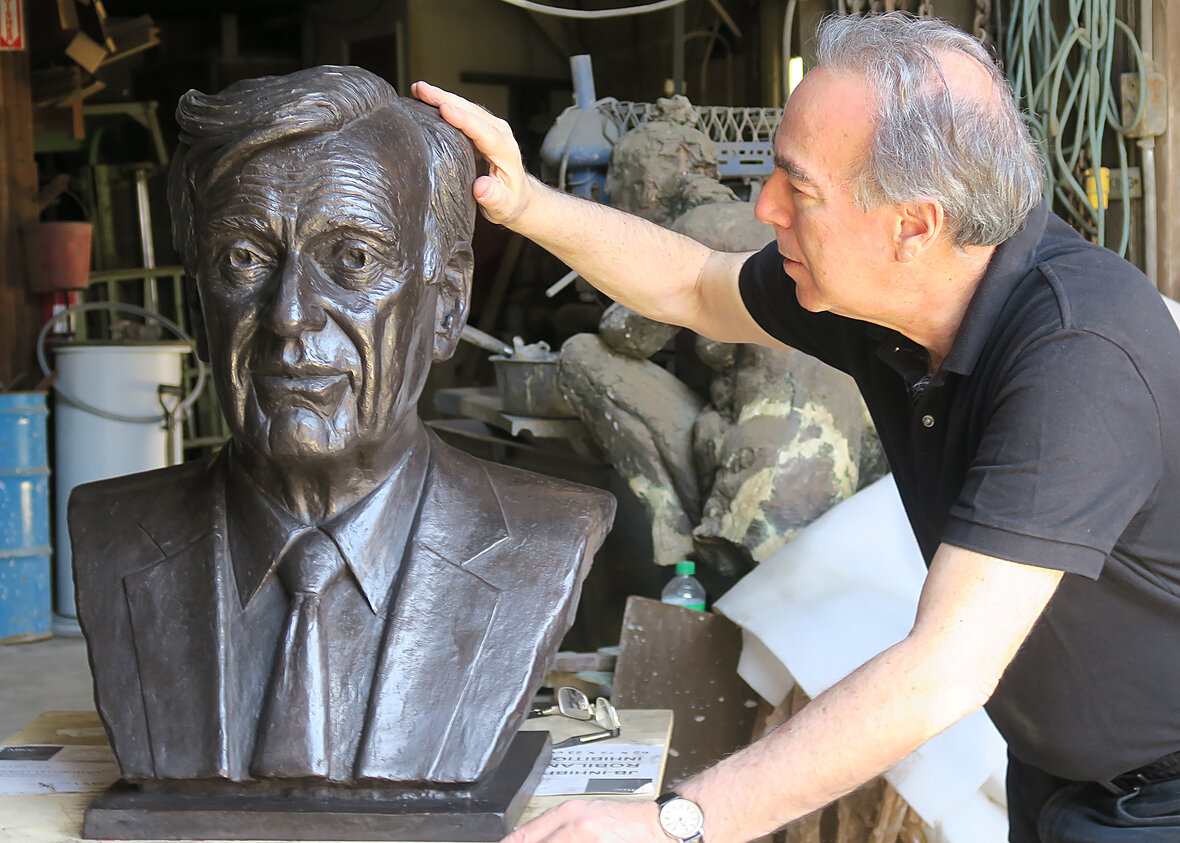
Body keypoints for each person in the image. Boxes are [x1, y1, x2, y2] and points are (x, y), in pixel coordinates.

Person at [414, 11, 1180, 842]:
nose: (766, 204)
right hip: (1056, 774)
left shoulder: (1078, 356)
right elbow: (695, 285)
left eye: (798, 185)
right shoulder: (887, 295)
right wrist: (524, 203)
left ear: (914, 225)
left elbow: (943, 669)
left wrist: (677, 820)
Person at [69, 65, 614, 787]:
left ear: (447, 303)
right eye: (243, 258)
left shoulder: (548, 537)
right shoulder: (113, 532)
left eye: (352, 259)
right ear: (203, 307)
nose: (289, 313)